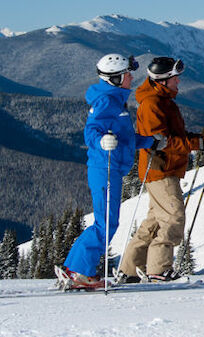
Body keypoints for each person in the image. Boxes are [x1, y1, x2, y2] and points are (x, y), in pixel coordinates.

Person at [59, 54, 165, 287]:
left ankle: (75, 268)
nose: (131, 77)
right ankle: (79, 272)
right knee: (107, 223)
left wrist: (150, 142)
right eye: (127, 74)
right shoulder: (107, 101)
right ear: (116, 79)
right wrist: (100, 141)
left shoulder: (116, 100)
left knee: (104, 222)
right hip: (105, 167)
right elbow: (92, 130)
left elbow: (124, 139)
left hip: (111, 166)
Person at [118, 56, 204, 282]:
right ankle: (158, 269)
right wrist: (199, 143)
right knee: (174, 217)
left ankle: (129, 270)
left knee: (154, 222)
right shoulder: (153, 104)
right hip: (161, 168)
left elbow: (176, 136)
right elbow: (162, 141)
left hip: (163, 168)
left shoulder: (162, 100)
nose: (179, 83)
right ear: (163, 80)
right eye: (175, 79)